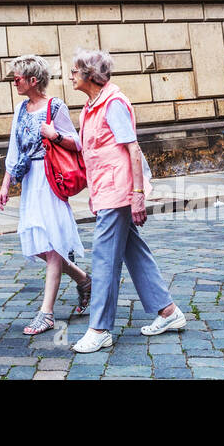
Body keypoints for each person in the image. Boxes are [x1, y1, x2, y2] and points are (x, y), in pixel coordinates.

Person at [67, 48, 185, 353]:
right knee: (134, 250)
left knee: (104, 258)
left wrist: (137, 196)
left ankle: (99, 328)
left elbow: (132, 150)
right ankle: (168, 311)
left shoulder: (113, 103)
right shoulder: (90, 106)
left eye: (75, 70)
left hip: (119, 190)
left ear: (90, 75)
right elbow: (87, 147)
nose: (70, 75)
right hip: (105, 189)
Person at [0, 55, 91, 336]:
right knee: (37, 243)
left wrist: (54, 135)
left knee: (51, 246)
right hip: (29, 181)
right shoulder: (20, 109)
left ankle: (46, 314)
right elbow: (14, 148)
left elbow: (78, 143)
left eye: (18, 78)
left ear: (33, 80)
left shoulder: (55, 106)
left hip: (50, 179)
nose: (14, 82)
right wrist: (5, 184)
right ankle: (84, 280)